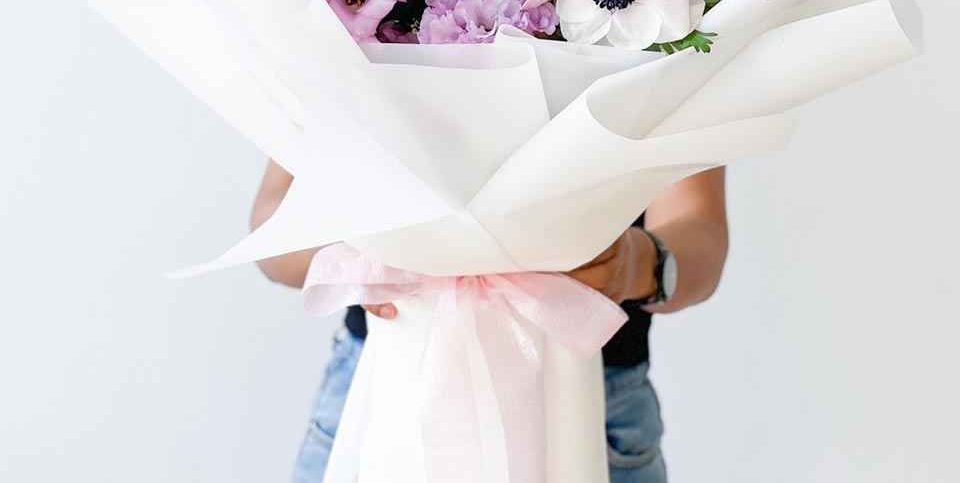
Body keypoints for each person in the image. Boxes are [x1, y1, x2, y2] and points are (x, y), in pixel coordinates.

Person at [251, 162, 729, 482]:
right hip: (379, 383)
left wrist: (639, 263)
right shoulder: (338, 17)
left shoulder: (675, 12)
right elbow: (271, 227)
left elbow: (699, 222)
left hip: (602, 398)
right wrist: (357, 253)